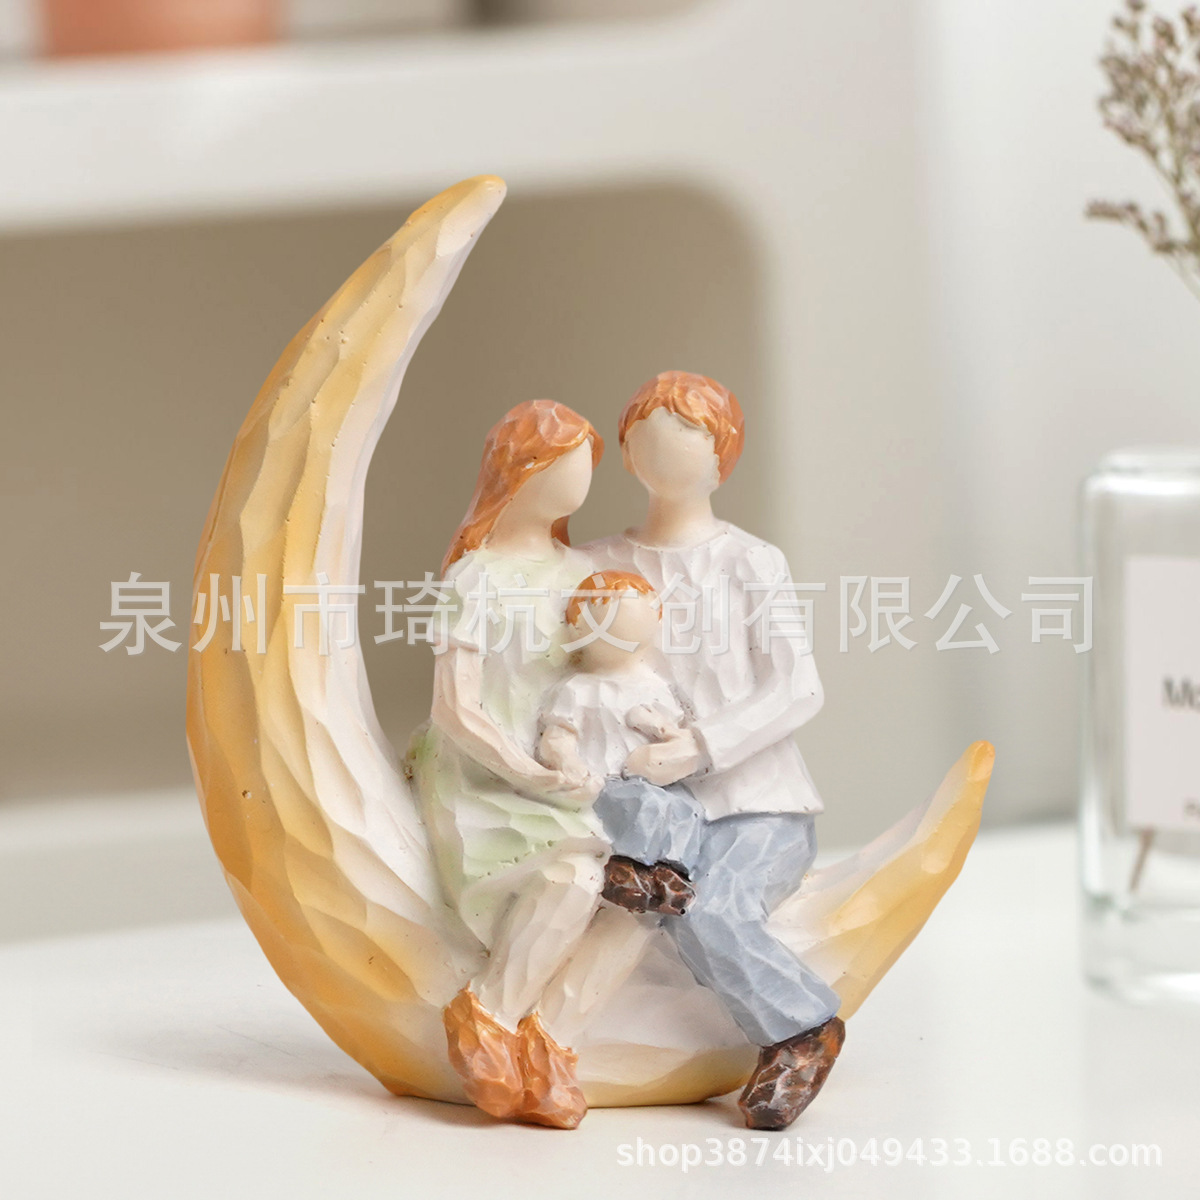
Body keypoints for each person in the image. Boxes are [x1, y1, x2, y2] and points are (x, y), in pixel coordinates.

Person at [582, 370, 845, 1131]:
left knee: (712, 907)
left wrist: (701, 745)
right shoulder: (597, 563)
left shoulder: (749, 563)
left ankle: (802, 1029)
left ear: (724, 452)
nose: (667, 438)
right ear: (626, 449)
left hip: (754, 804)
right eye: (648, 424)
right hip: (637, 805)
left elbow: (797, 685)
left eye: (692, 426)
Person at [406, 399, 608, 1130]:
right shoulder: (476, 578)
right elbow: (455, 707)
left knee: (644, 891)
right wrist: (524, 769)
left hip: (565, 774)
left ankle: (520, 1029)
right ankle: (498, 1026)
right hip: (483, 777)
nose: (582, 480)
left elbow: (605, 680)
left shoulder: (585, 573)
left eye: (587, 464)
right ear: (523, 470)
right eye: (567, 464)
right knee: (577, 876)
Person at [536, 570, 698, 918]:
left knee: (685, 807)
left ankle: (667, 870)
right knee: (641, 804)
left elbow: (673, 731)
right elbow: (558, 736)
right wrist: (567, 760)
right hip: (607, 781)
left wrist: (660, 728)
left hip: (651, 780)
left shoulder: (653, 685)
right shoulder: (578, 689)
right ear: (578, 628)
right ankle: (623, 867)